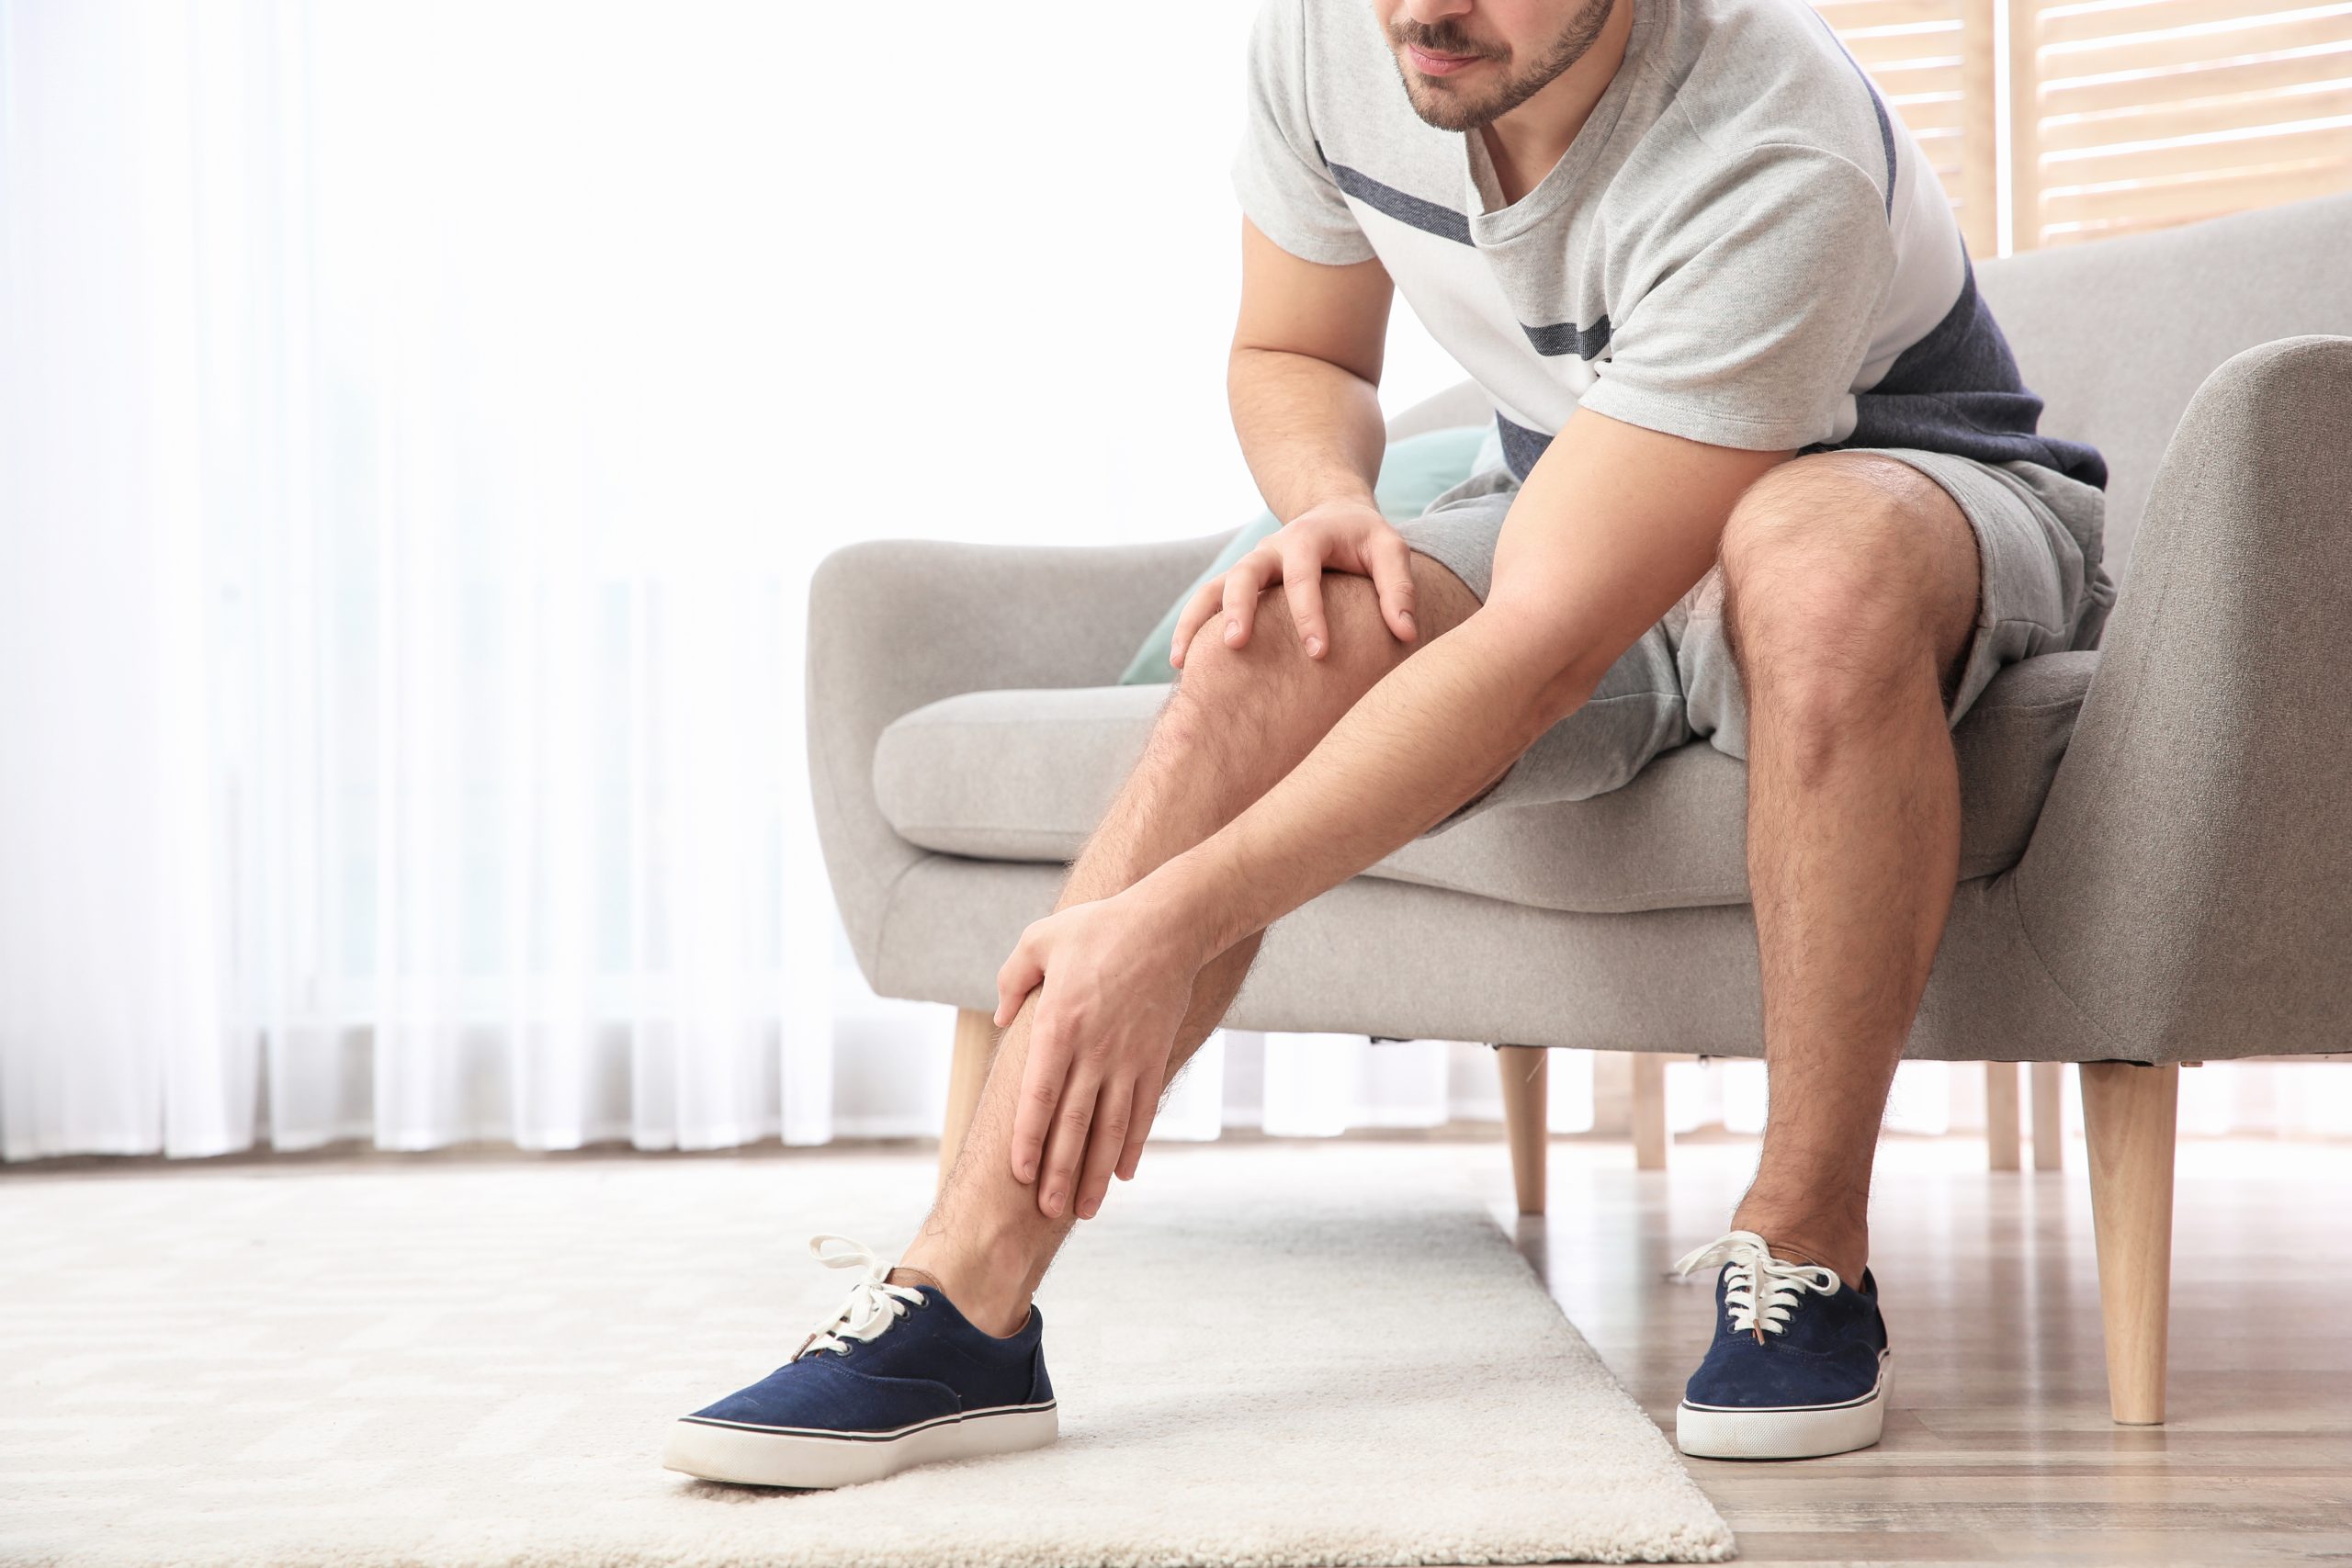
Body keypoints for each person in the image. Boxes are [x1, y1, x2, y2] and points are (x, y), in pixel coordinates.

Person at [663, 0, 2112, 1487]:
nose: (1425, 7)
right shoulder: (1334, 41)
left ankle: (1811, 1247)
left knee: (1814, 567)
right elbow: (1298, 348)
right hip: (1581, 493)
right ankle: (959, 1306)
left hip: (1894, 482)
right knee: (1282, 634)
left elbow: (1541, 654)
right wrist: (1327, 505)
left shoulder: (1769, 139)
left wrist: (1161, 919)